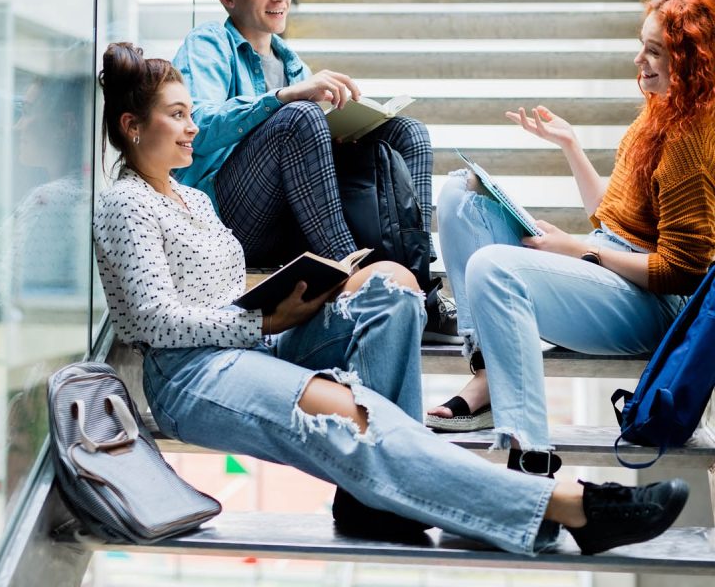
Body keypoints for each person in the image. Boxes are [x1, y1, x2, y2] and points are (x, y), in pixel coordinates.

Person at [91, 41, 690, 557]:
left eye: (191, 112)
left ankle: (370, 497)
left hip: (254, 338)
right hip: (193, 374)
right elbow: (153, 321)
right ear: (132, 127)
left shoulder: (193, 200)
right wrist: (263, 318)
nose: (193, 126)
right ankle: (569, 505)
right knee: (352, 416)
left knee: (391, 291)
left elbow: (225, 291)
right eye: (177, 115)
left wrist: (308, 291)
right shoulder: (125, 205)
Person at [426, 0, 715, 475]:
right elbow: (611, 216)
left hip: (653, 306)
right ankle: (489, 372)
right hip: (607, 261)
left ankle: (530, 450)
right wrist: (571, 147)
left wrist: (581, 252)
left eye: (654, 52)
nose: (639, 60)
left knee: (494, 267)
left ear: (692, 61)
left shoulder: (693, 141)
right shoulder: (662, 109)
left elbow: (684, 272)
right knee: (461, 194)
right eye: (641, 45)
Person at [170, 0, 457, 343]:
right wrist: (282, 99)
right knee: (299, 115)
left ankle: (415, 280)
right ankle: (352, 276)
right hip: (229, 219)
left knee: (407, 132)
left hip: (288, 220)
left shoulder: (289, 60)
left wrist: (340, 133)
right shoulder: (208, 44)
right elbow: (194, 126)